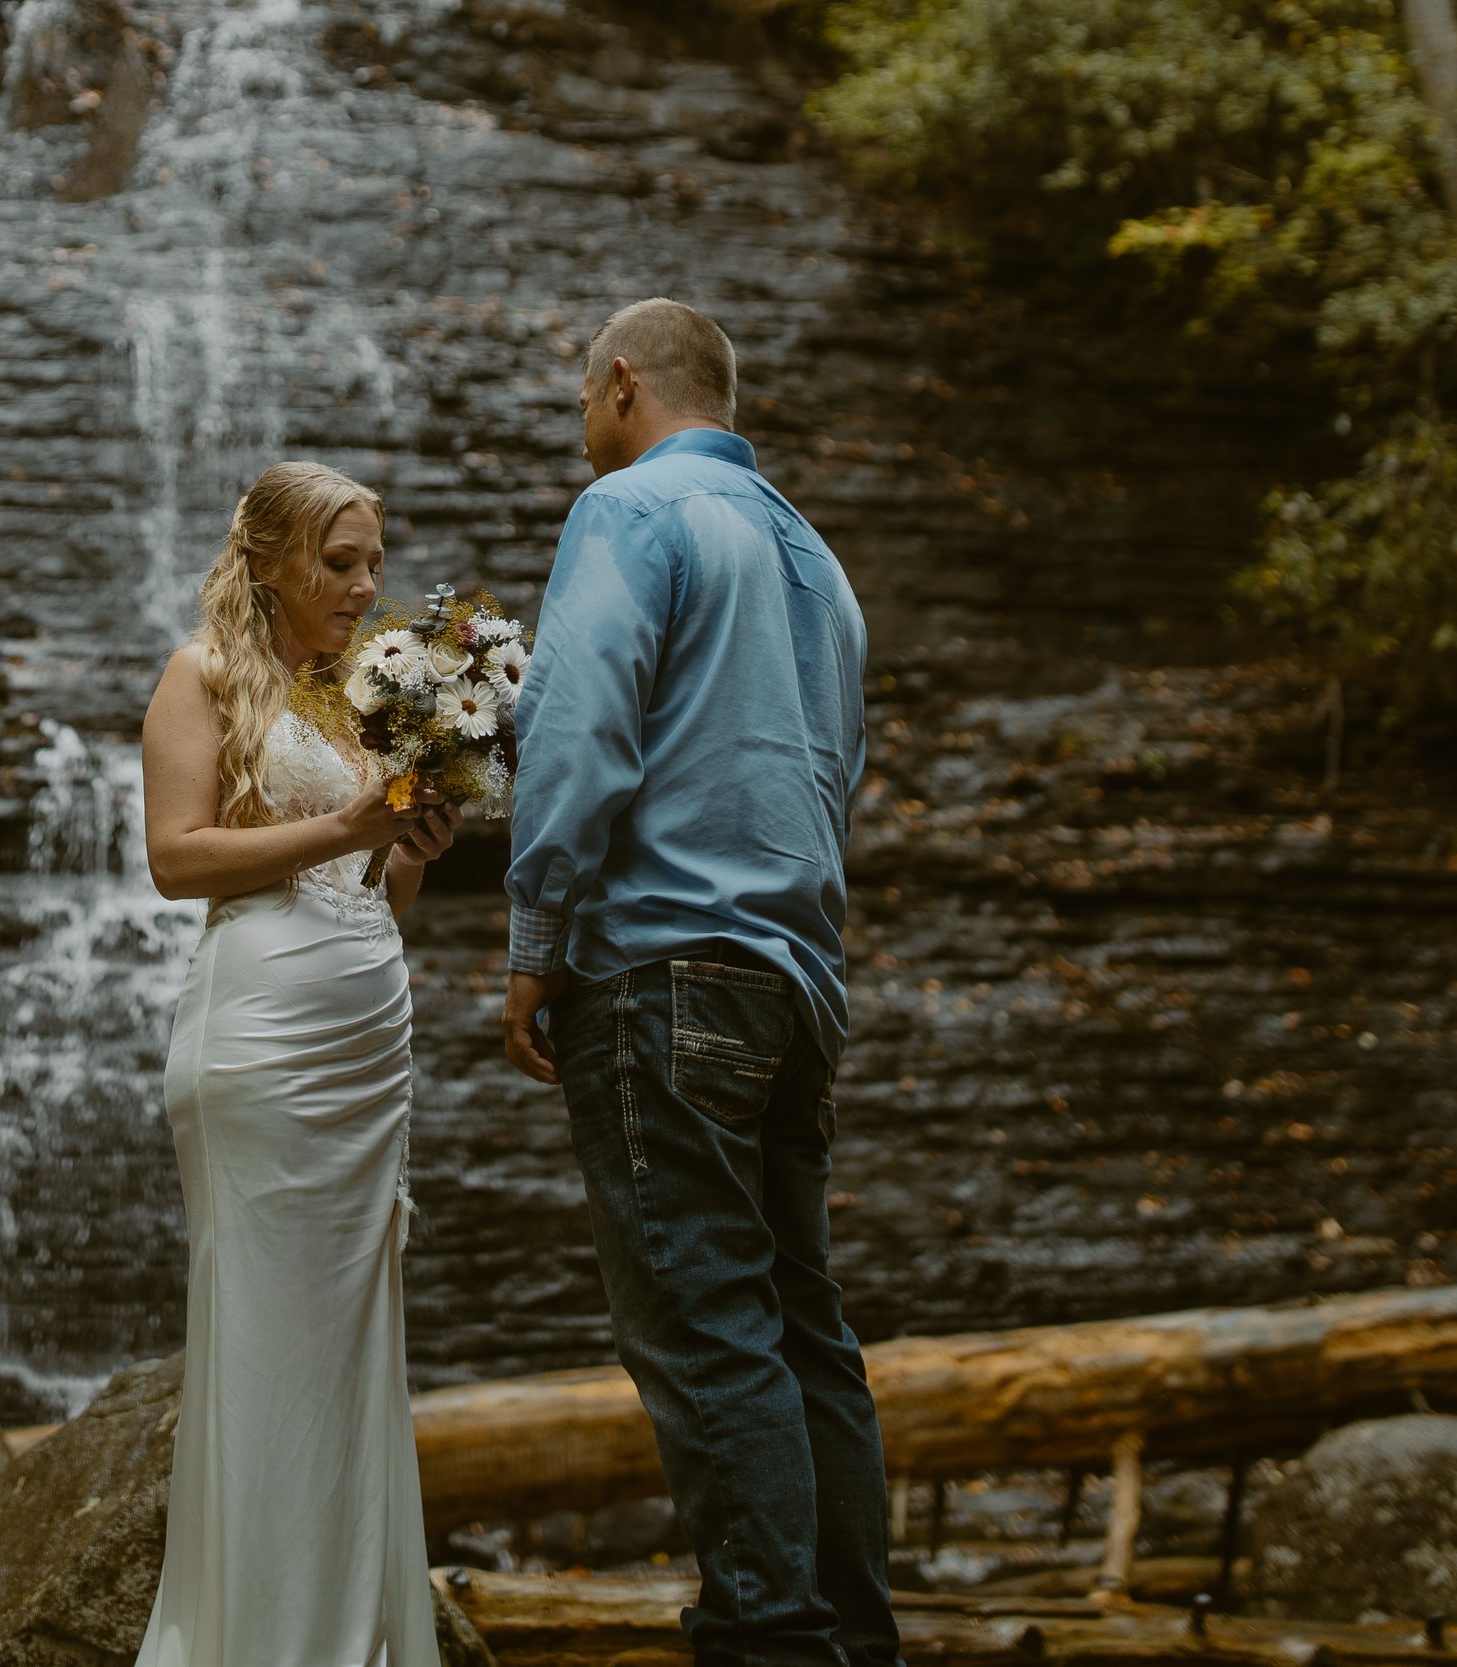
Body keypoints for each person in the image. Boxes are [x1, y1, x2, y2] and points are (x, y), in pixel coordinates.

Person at [501, 299, 901, 1667]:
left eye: (583, 401)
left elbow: (578, 727)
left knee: (703, 1321)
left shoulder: (628, 512)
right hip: (795, 978)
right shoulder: (816, 558)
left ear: (623, 385)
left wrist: (535, 939)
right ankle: (850, 1635)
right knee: (804, 1323)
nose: (583, 427)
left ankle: (768, 1641)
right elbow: (833, 771)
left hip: (664, 966)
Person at [136, 459, 462, 1667]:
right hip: (261, 1045)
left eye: (374, 560)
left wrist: (413, 836)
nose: (366, 583)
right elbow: (175, 859)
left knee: (346, 1346)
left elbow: (382, 882)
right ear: (269, 558)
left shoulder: (362, 693)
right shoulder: (202, 674)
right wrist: (351, 824)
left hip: (364, 1048)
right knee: (267, 1349)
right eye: (340, 562)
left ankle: (352, 1636)